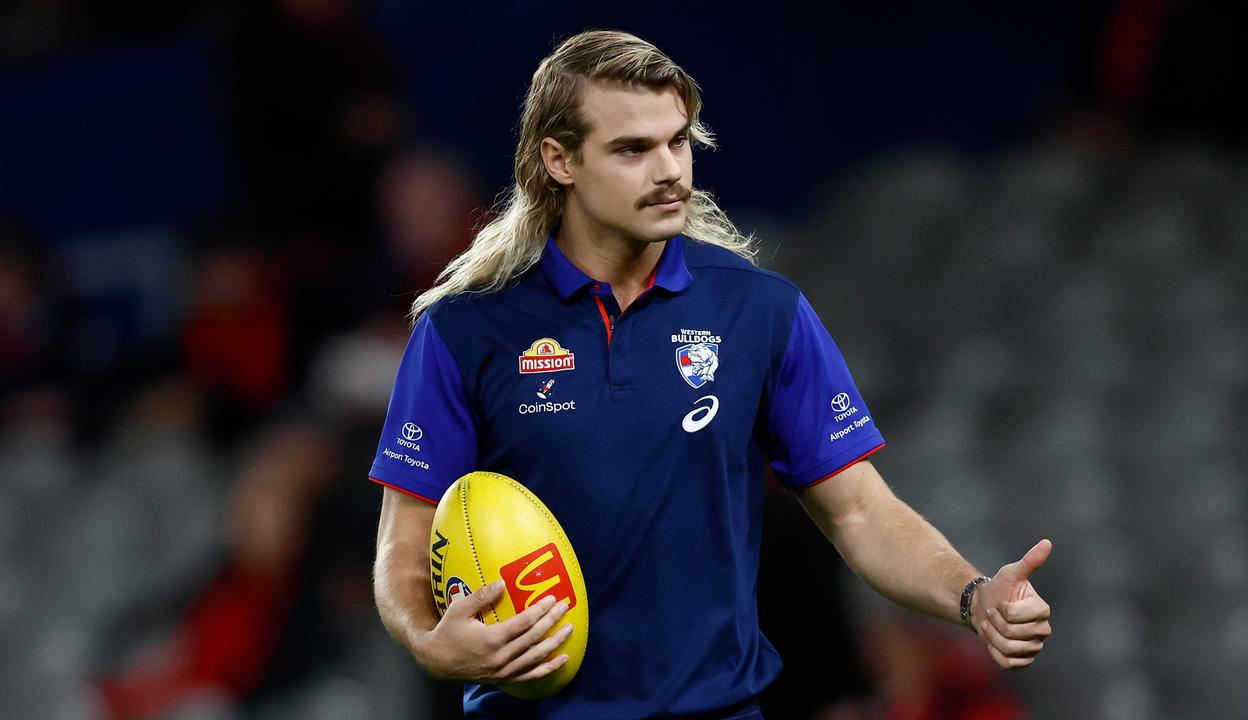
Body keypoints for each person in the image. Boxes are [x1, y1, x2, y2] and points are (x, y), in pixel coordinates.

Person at [369, 30, 1052, 719]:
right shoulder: (463, 329)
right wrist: (433, 642)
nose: (669, 170)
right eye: (633, 149)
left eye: (678, 142)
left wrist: (973, 594)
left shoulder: (760, 309)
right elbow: (405, 538)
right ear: (560, 160)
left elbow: (862, 511)